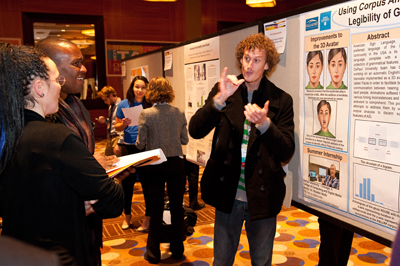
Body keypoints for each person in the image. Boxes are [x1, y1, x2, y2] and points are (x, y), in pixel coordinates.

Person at [0, 43, 124, 265]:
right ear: (40, 88)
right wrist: (78, 203)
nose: (60, 87)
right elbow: (113, 201)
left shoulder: (8, 135)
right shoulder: (58, 138)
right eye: (57, 80)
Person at [189, 33, 295, 265]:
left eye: (257, 60)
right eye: (246, 58)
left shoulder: (281, 99)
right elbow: (195, 130)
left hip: (263, 196)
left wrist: (266, 125)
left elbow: (286, 151)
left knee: (261, 261)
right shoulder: (227, 90)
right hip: (228, 192)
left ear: (267, 65)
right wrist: (218, 100)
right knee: (222, 261)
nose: (249, 65)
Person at [36, 37, 120, 265]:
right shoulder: (40, 116)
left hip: (89, 221)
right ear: (51, 68)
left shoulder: (76, 104)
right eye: (76, 63)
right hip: (60, 228)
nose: (84, 69)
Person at [136, 76, 189, 264]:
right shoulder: (179, 111)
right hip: (176, 164)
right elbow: (184, 140)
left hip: (156, 164)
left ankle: (154, 253)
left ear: (151, 92)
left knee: (156, 208)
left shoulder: (146, 114)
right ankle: (177, 249)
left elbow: (140, 144)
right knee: (176, 207)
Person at [115, 75, 152, 230]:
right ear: (132, 88)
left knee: (147, 184)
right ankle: (127, 217)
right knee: (127, 184)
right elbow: (116, 127)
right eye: (137, 87)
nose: (140, 90)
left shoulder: (150, 104)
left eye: (143, 87)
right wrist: (123, 125)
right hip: (128, 147)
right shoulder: (124, 104)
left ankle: (147, 219)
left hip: (146, 147)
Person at [96, 86, 122, 156]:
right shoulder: (111, 106)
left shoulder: (121, 106)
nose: (105, 102)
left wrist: (119, 142)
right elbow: (112, 121)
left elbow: (124, 125)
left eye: (105, 100)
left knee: (118, 160)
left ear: (111, 95)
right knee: (107, 158)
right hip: (110, 137)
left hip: (117, 137)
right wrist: (105, 120)